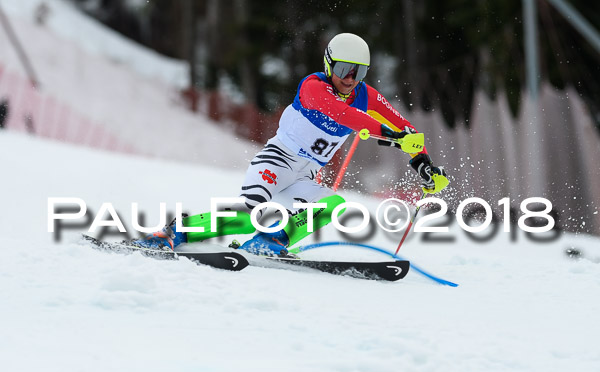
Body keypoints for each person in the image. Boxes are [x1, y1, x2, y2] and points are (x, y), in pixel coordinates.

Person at [133, 33, 449, 256]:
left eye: (359, 72)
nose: (350, 78)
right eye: (343, 70)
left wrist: (422, 162)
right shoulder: (313, 87)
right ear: (329, 66)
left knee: (333, 206)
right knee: (249, 213)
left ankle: (272, 240)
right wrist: (389, 135)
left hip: (304, 177)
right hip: (276, 161)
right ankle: (174, 232)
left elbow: (406, 129)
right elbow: (344, 115)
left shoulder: (367, 96)